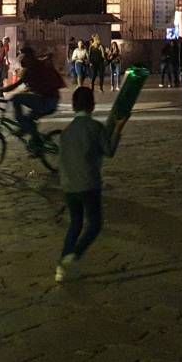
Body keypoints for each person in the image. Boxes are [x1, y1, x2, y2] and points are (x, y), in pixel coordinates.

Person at [55, 86, 127, 283]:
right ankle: (74, 255)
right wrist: (118, 129)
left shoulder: (66, 132)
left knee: (75, 224)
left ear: (73, 106)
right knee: (94, 224)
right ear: (92, 105)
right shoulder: (95, 127)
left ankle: (61, 266)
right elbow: (109, 151)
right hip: (89, 184)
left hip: (69, 185)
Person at [12, 46, 65, 151]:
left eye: (23, 57)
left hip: (47, 101)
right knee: (29, 119)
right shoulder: (36, 65)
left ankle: (23, 125)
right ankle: (37, 144)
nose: (21, 60)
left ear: (28, 57)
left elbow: (14, 86)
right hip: (51, 101)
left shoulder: (33, 68)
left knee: (16, 98)